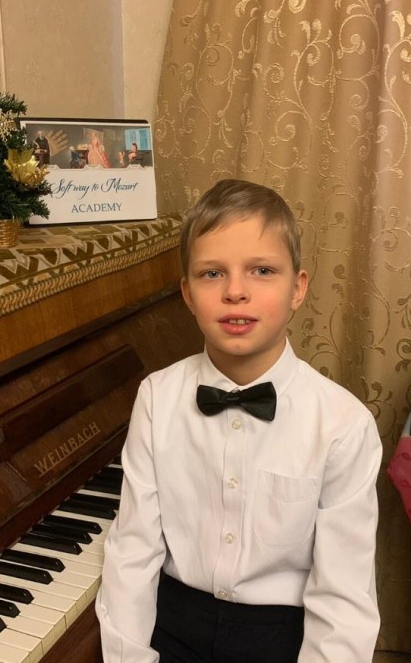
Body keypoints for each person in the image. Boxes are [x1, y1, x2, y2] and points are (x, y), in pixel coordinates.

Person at [96, 179, 382, 662]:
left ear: (297, 288)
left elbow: (343, 598)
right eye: (212, 274)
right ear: (187, 294)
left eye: (262, 271)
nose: (235, 292)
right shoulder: (157, 398)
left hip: (282, 637)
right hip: (173, 624)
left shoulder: (342, 424)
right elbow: (133, 551)